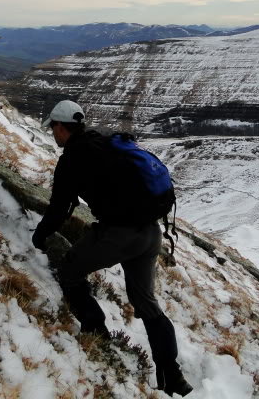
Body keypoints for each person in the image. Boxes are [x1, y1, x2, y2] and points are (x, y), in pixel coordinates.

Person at [32, 100, 193, 397]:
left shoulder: (72, 158)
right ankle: (172, 375)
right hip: (150, 233)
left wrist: (40, 236)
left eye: (53, 128)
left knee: (70, 270)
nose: (52, 134)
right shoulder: (105, 144)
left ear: (60, 127)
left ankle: (96, 331)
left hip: (118, 235)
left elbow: (59, 208)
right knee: (147, 304)